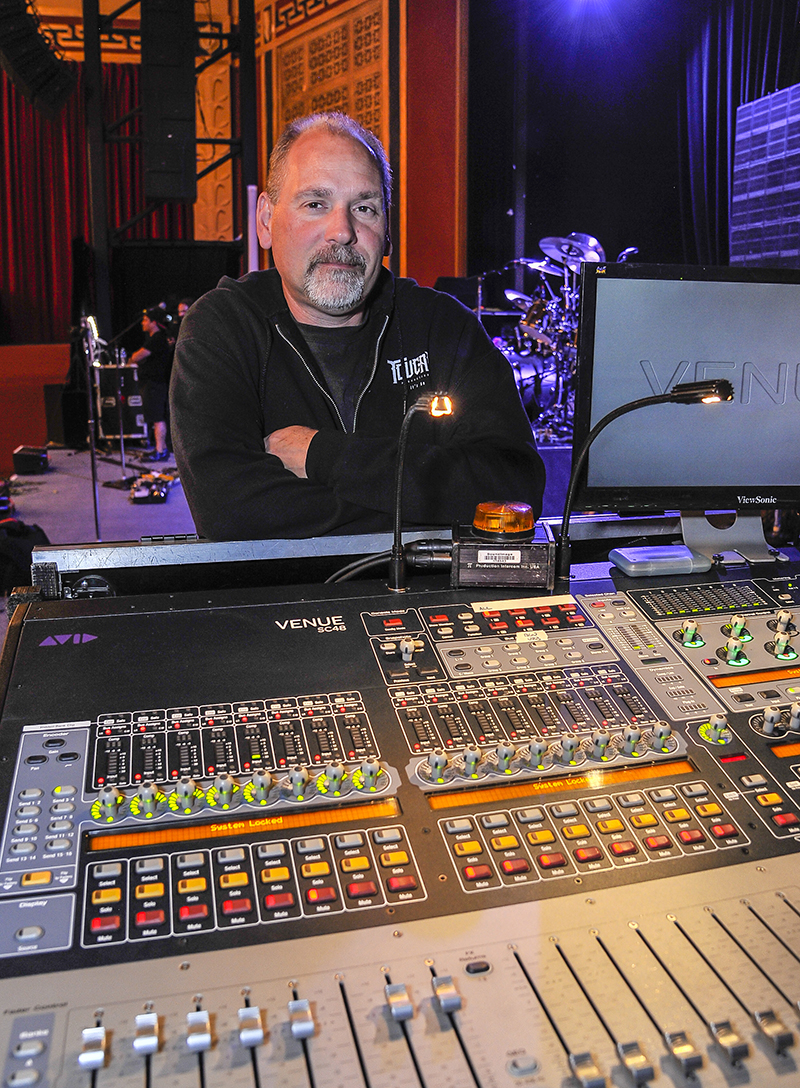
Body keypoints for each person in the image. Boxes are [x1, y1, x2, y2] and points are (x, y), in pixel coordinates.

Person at [170, 111, 545, 540]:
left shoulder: (444, 327)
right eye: (316, 204)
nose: (342, 231)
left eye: (364, 208)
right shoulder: (222, 328)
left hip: (432, 601)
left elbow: (516, 488)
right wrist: (431, 510)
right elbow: (230, 512)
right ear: (266, 220)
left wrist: (324, 456)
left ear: (387, 233)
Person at [131, 308, 173, 462]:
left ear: (154, 323)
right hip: (153, 383)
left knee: (157, 418)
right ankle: (159, 448)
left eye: (145, 320)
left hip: (155, 383)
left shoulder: (157, 339)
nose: (142, 323)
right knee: (156, 417)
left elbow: (137, 356)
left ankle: (161, 450)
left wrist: (132, 359)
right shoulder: (155, 338)